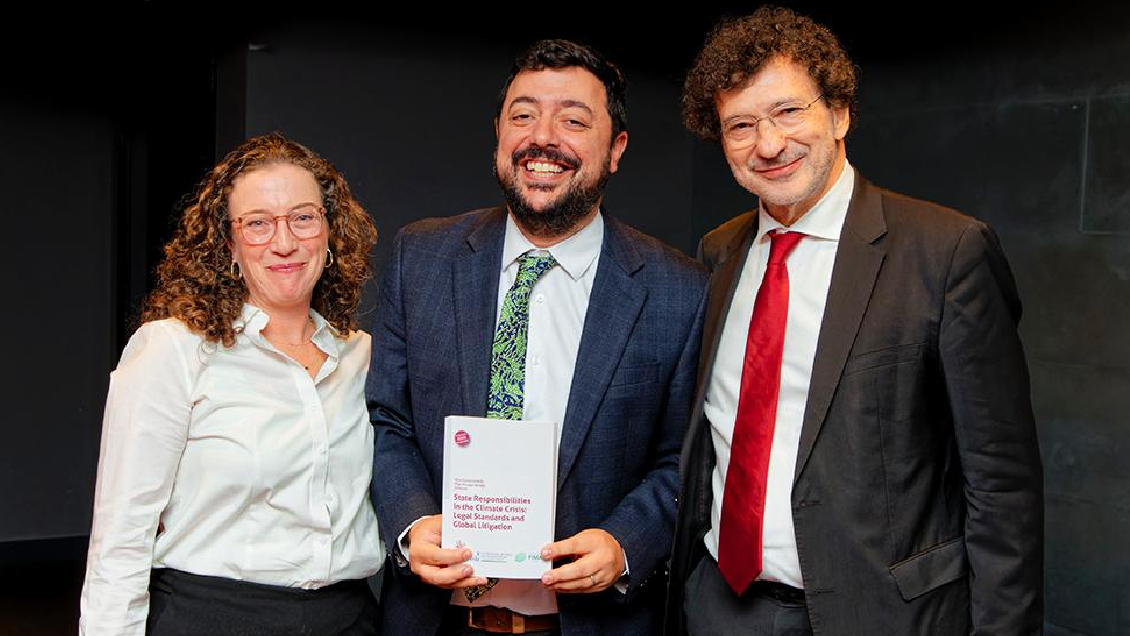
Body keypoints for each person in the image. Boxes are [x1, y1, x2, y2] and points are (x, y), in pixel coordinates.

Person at [667, 7, 1043, 636]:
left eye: (789, 112)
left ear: (839, 113)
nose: (768, 144)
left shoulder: (946, 251)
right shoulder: (718, 253)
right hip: (721, 608)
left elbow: (1001, 483)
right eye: (741, 125)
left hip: (884, 613)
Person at [368, 39, 708, 636]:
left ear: (616, 149)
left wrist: (626, 543)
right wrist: (410, 523)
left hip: (592, 623)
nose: (542, 138)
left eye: (573, 120)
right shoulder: (420, 257)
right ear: (498, 133)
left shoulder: (677, 289)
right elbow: (386, 420)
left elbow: (683, 459)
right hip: (433, 619)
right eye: (523, 115)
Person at [79, 133, 383, 636]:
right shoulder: (173, 350)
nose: (284, 242)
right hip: (212, 617)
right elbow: (121, 537)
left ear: (330, 233)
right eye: (258, 224)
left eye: (303, 218)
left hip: (348, 619)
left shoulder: (362, 356)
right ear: (229, 246)